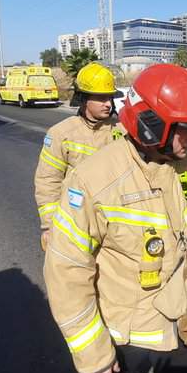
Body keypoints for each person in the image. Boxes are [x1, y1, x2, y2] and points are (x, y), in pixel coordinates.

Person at [43, 64, 187, 373]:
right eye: (186, 129)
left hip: (183, 317)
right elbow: (67, 272)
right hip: (126, 333)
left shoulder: (186, 161)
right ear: (152, 127)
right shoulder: (94, 180)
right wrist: (93, 356)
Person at [34, 62, 123, 250]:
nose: (108, 103)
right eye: (101, 98)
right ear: (83, 98)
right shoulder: (61, 133)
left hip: (115, 225)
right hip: (75, 222)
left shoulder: (121, 130)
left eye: (110, 97)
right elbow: (48, 181)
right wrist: (50, 226)